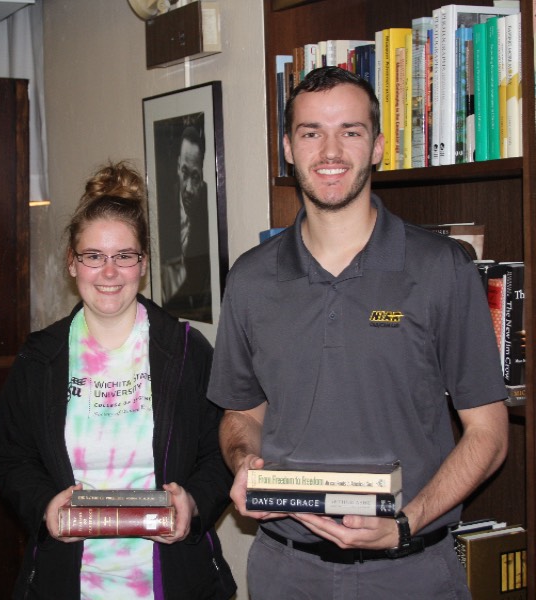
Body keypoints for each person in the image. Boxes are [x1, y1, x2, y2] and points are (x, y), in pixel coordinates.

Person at [208, 66, 509, 599]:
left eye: (350, 131)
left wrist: (406, 523)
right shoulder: (251, 278)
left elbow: (488, 433)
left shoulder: (442, 268)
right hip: (285, 572)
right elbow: (241, 414)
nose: (330, 151)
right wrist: (244, 463)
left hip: (411, 571)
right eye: (311, 133)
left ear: (377, 147)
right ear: (287, 147)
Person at [0, 160, 236, 599]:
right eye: (93, 256)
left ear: (143, 265)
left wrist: (193, 502)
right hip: (70, 582)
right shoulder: (39, 358)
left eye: (124, 256)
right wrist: (45, 504)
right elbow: (11, 458)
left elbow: (218, 454)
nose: (109, 272)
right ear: (72, 264)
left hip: (170, 580)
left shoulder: (185, 352)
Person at [159, 124, 212, 323]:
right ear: (177, 167)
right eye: (184, 172)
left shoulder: (208, 216)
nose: (189, 188)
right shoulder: (163, 206)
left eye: (196, 177)